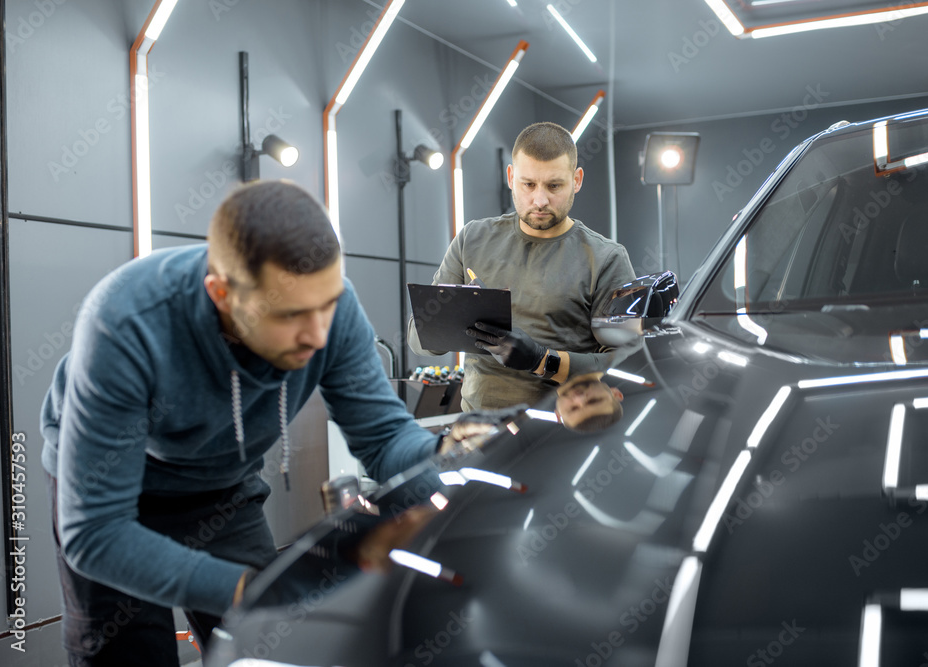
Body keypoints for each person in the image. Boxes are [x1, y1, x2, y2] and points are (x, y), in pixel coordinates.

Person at [40, 180, 478, 666]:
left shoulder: (333, 311)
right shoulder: (127, 322)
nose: (317, 334)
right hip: (120, 495)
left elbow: (383, 436)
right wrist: (260, 588)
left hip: (221, 488)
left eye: (327, 306)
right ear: (221, 293)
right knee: (134, 651)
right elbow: (96, 532)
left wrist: (447, 460)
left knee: (274, 642)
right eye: (291, 314)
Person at [408, 121, 636, 410]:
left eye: (554, 186)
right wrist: (450, 320)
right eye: (528, 184)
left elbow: (627, 363)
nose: (539, 200)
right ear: (510, 176)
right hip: (479, 429)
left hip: (558, 432)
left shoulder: (606, 258)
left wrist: (543, 360)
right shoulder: (472, 239)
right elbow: (418, 338)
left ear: (576, 180)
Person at [554, 372, 624, 432]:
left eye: (573, 408)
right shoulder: (610, 357)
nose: (579, 398)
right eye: (593, 400)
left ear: (558, 415)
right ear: (615, 393)